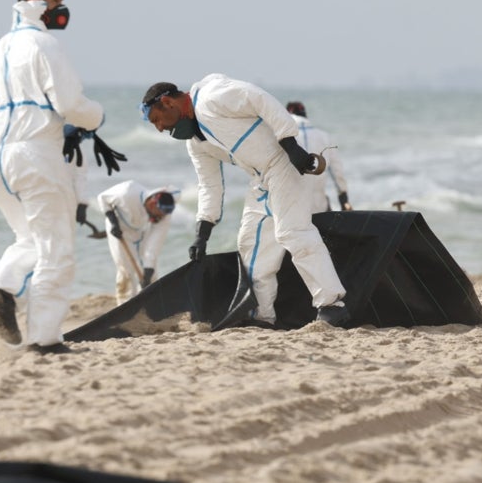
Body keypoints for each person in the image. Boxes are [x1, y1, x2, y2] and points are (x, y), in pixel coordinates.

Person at [141, 74, 350, 327]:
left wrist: (290, 143)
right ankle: (261, 316)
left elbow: (260, 100)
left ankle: (332, 305)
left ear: (167, 103)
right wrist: (203, 230)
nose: (160, 128)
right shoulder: (196, 144)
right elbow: (209, 185)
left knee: (292, 232)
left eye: (156, 120)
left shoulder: (211, 96)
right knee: (250, 243)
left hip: (282, 163)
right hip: (260, 179)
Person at [0, 0, 116, 354]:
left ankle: (3, 291)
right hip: (35, 154)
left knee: (30, 239)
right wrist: (96, 117)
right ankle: (44, 338)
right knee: (57, 250)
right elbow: (70, 105)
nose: (62, 4)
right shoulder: (45, 45)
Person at [96, 181, 177, 303]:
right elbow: (102, 198)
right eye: (159, 214)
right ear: (152, 204)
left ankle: (151, 303)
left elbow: (153, 247)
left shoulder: (160, 215)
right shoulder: (128, 192)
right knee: (126, 271)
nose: (160, 218)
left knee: (150, 270)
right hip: (119, 231)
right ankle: (125, 307)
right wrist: (113, 222)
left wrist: (148, 272)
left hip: (140, 230)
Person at [286, 101, 352, 211]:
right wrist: (343, 200)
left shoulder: (284, 138)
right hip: (320, 205)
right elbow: (337, 172)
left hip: (292, 206)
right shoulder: (324, 136)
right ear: (305, 115)